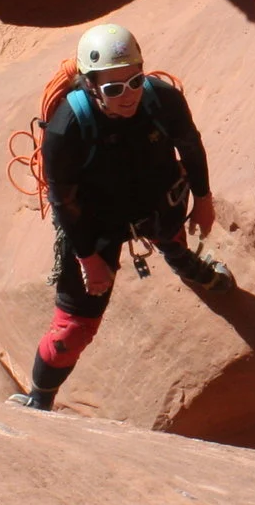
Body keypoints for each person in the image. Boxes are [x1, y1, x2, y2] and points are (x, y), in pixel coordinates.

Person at [14, 22, 231, 411]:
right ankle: (39, 399)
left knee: (170, 232)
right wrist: (88, 258)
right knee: (72, 331)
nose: (128, 95)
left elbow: (190, 145)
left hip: (156, 199)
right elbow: (64, 203)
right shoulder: (67, 128)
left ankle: (182, 260)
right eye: (114, 88)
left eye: (135, 81)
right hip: (95, 223)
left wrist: (203, 198)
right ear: (91, 85)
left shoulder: (161, 99)